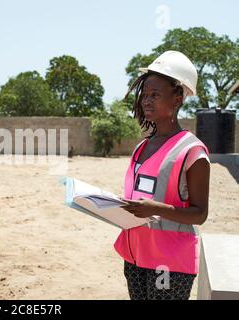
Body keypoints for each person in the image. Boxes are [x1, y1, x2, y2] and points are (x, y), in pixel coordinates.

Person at [114, 51, 210, 300]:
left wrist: (155, 208)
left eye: (155, 95)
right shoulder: (141, 148)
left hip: (169, 262)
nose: (146, 101)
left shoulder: (192, 151)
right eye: (145, 95)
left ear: (177, 98)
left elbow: (200, 214)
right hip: (134, 254)